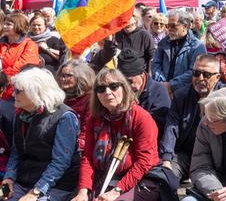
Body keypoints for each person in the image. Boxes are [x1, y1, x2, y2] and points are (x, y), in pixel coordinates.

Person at [72, 69, 166, 201]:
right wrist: (83, 191)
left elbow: (144, 162)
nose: (107, 92)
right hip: (104, 175)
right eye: (101, 89)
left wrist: (116, 191)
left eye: (114, 86)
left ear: (124, 87)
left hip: (140, 178)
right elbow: (88, 157)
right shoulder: (94, 119)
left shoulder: (141, 118)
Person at [1, 68, 80, 201]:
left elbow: (60, 163)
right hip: (25, 179)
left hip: (55, 185)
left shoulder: (64, 117)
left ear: (36, 92)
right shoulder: (21, 113)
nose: (13, 95)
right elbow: (16, 152)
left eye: (18, 91)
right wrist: (8, 179)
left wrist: (35, 192)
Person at [161, 54, 223, 181]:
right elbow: (171, 128)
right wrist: (166, 158)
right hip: (186, 155)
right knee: (163, 177)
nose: (200, 78)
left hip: (217, 158)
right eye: (196, 73)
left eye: (206, 75)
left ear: (217, 77)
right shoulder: (181, 95)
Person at [151, 10, 207, 94]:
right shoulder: (163, 43)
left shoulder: (197, 46)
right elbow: (156, 64)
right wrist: (163, 84)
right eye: (168, 26)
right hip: (163, 89)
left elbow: (194, 71)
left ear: (185, 26)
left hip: (186, 93)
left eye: (173, 26)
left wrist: (171, 85)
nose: (169, 29)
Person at [118, 49, 171, 135]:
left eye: (130, 81)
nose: (127, 87)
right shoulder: (118, 90)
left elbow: (157, 127)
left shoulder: (158, 92)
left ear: (142, 75)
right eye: (123, 83)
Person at [0, 12, 41, 99]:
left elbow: (23, 66)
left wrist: (3, 76)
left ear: (18, 25)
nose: (4, 27)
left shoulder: (29, 44)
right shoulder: (2, 43)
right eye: (4, 24)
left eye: (8, 24)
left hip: (18, 92)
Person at [56, 60, 95, 150]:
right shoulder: (59, 96)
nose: (63, 79)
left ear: (81, 77)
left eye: (69, 76)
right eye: (62, 75)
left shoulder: (90, 99)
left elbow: (87, 131)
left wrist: (75, 149)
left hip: (76, 148)